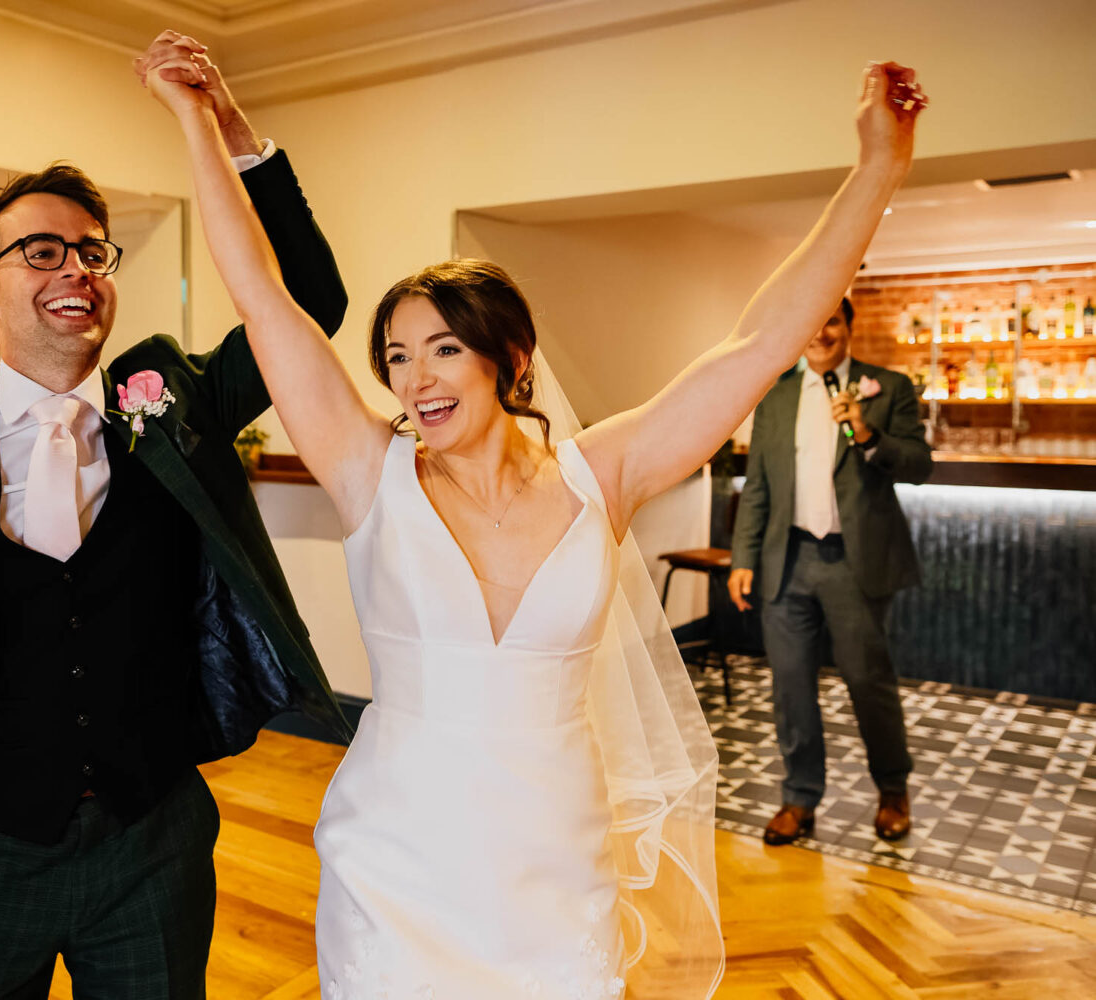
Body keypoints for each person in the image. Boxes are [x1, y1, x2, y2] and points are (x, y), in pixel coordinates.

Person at [146, 42, 925, 998]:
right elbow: (263, 300)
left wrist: (879, 168)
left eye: (442, 349)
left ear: (510, 361)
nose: (414, 380)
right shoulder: (367, 471)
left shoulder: (606, 472)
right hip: (398, 863)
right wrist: (200, 124)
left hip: (557, 868)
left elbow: (760, 341)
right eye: (396, 357)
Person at [0, 30, 351, 998]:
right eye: (41, 252)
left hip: (153, 843)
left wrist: (223, 125)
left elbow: (309, 303)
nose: (76, 269)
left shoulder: (173, 396)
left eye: (93, 251)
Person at [727, 297, 933, 847]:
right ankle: (799, 798)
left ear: (848, 328)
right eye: (811, 325)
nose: (821, 335)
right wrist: (743, 559)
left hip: (854, 562)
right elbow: (759, 489)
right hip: (786, 561)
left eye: (832, 323)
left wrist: (867, 436)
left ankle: (892, 789)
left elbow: (919, 465)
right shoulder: (775, 397)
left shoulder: (887, 388)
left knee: (868, 681)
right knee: (790, 688)